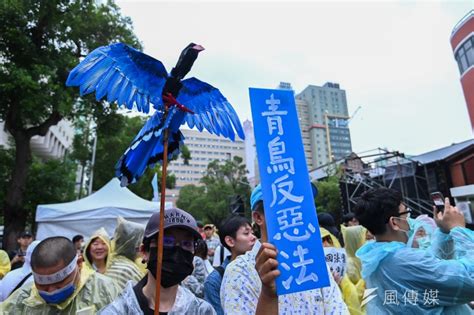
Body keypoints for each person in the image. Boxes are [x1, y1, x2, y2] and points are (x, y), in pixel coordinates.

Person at [221, 184, 349, 314]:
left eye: (301, 207)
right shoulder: (239, 271)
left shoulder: (316, 263)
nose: (297, 216)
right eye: (286, 207)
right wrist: (267, 295)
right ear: (258, 217)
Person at [354, 188, 474, 314]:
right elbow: (468, 279)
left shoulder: (378, 257)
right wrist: (458, 229)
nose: (411, 219)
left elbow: (432, 267)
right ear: (394, 222)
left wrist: (444, 232)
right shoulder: (404, 260)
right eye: (406, 213)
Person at [99, 207, 216, 314]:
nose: (177, 251)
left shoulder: (201, 311)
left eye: (186, 243)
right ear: (144, 251)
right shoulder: (118, 311)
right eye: (166, 241)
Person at [0, 236, 119, 314]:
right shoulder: (24, 298)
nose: (51, 291)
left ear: (79, 264)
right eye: (43, 286)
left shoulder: (106, 290)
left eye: (58, 284)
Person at [204, 215, 256, 315]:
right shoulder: (214, 281)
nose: (253, 237)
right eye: (246, 233)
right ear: (230, 241)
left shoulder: (261, 268)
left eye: (252, 233)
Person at [105, 217, 146, 290]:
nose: (143, 244)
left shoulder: (112, 262)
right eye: (142, 240)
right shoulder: (129, 270)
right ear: (134, 244)